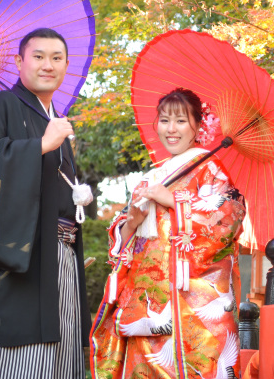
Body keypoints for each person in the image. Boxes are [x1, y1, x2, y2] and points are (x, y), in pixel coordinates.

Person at [0, 27, 90, 379]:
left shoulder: (54, 119)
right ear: (19, 62)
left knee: (61, 352)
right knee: (21, 355)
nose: (48, 65)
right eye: (38, 56)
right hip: (20, 257)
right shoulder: (0, 105)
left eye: (57, 58)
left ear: (65, 65)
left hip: (60, 257)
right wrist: (39, 147)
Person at [90, 88, 246, 379]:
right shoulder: (152, 176)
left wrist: (173, 201)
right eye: (164, 120)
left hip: (190, 304)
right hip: (143, 303)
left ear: (198, 127)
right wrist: (131, 224)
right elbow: (127, 245)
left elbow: (227, 221)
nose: (170, 129)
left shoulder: (211, 169)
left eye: (180, 121)